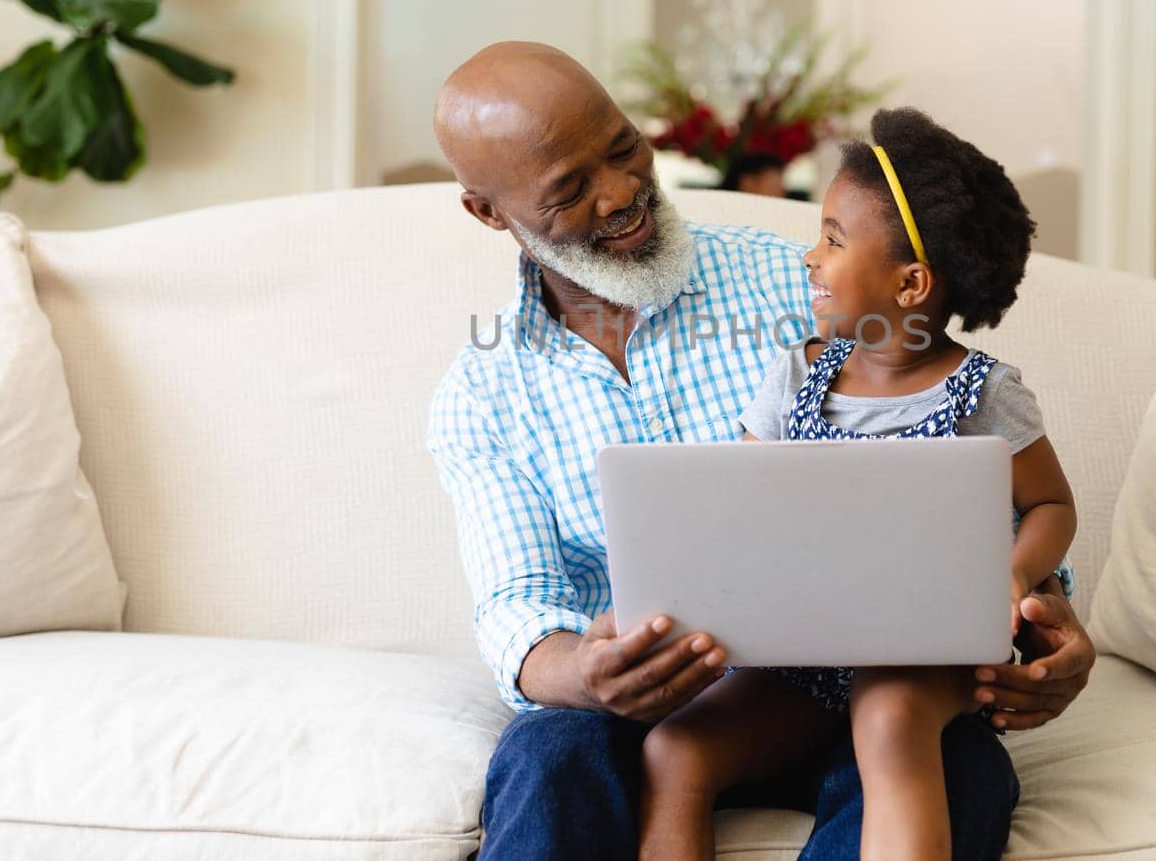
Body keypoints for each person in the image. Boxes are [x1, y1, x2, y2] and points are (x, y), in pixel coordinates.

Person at [426, 42, 1097, 861]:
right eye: (569, 188)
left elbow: (971, 483)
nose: (621, 190)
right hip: (632, 715)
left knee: (957, 762)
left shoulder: (808, 288)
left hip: (851, 683)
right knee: (546, 754)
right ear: (489, 213)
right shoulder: (483, 392)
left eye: (623, 146)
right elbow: (517, 604)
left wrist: (1040, 616)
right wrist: (583, 673)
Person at [636, 108, 1078, 861]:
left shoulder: (984, 394)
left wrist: (1014, 569)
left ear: (911, 283)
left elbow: (1050, 504)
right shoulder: (797, 374)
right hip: (801, 660)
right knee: (675, 749)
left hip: (926, 655)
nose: (811, 257)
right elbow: (734, 500)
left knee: (889, 715)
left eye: (833, 240)